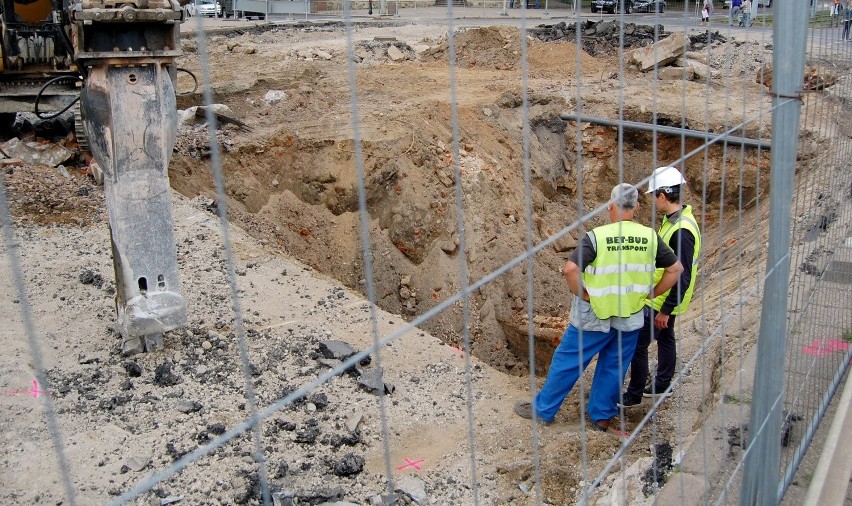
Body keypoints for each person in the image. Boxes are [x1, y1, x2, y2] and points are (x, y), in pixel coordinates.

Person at [514, 184, 683, 431]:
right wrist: (650, 294)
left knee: (568, 361)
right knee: (614, 366)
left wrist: (582, 294)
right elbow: (675, 270)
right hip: (629, 316)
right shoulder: (650, 237)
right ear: (636, 207)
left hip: (594, 315)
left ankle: (544, 409)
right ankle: (602, 416)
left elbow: (570, 269)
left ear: (611, 206)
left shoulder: (597, 237)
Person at [621, 167, 702, 407]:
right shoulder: (675, 220)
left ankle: (633, 395)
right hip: (666, 295)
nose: (653, 201)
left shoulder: (682, 231)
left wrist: (666, 309)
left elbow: (682, 274)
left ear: (663, 196)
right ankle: (662, 385)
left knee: (639, 345)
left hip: (662, 298)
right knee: (666, 338)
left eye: (654, 196)